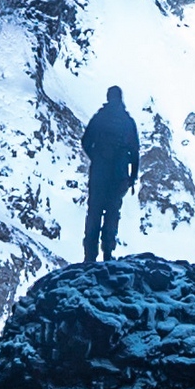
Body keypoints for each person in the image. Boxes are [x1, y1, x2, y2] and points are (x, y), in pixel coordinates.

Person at [81, 85, 139, 262]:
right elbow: (135, 151)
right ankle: (108, 252)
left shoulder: (100, 118)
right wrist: (132, 177)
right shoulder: (127, 121)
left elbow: (85, 141)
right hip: (119, 173)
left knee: (94, 211)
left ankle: (90, 256)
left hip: (99, 172)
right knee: (112, 212)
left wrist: (96, 158)